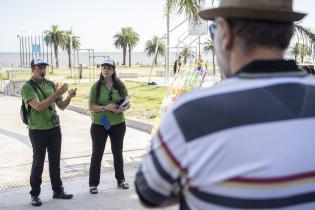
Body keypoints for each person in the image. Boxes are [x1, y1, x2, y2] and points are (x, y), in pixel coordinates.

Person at [135, 0, 315, 209]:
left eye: (214, 29)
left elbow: (149, 193)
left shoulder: (192, 113)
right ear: (290, 33)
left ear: (226, 35)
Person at [21, 58, 76, 206]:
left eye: (44, 67)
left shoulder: (50, 84)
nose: (42, 70)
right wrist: (56, 93)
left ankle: (57, 190)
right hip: (37, 130)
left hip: (54, 129)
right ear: (33, 69)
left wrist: (69, 96)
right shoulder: (27, 87)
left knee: (55, 161)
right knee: (38, 163)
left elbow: (62, 106)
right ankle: (35, 194)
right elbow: (38, 106)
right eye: (39, 67)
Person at [88, 58, 130, 194]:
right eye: (104, 67)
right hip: (100, 125)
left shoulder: (120, 86)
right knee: (97, 154)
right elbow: (91, 107)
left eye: (109, 68)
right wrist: (105, 107)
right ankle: (93, 184)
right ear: (101, 70)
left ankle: (121, 179)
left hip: (118, 124)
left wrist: (122, 108)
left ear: (113, 70)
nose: (106, 70)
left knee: (118, 153)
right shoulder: (96, 87)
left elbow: (128, 102)